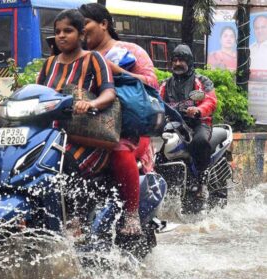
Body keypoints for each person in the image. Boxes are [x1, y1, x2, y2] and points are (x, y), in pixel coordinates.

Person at [79, 3, 158, 235]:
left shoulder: (130, 50)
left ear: (104, 24)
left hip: (128, 129)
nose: (80, 32)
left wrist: (117, 71)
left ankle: (131, 214)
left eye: (85, 25)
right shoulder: (78, 57)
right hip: (87, 128)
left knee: (119, 150)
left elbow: (152, 83)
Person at [36, 9, 116, 231]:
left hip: (86, 137)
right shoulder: (49, 64)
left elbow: (109, 92)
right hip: (50, 135)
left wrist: (91, 104)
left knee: (63, 160)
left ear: (81, 34)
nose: (62, 35)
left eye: (68, 31)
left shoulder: (93, 58)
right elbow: (35, 94)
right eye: (58, 31)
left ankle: (77, 217)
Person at [159, 44, 217, 207]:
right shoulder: (166, 83)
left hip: (197, 124)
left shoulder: (201, 81)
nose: (177, 64)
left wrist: (198, 110)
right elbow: (155, 100)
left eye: (181, 60)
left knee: (200, 142)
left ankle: (202, 181)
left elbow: (210, 100)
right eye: (175, 60)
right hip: (174, 124)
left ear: (189, 62)